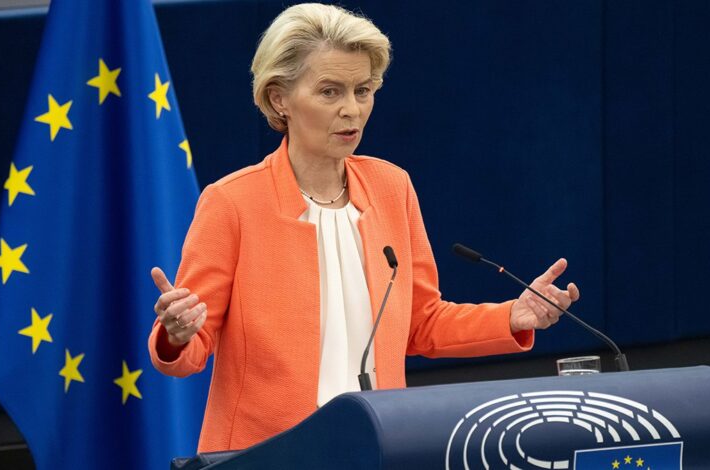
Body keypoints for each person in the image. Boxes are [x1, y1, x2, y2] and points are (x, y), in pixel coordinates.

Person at [148, 3, 580, 453]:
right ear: (279, 99)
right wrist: (177, 334)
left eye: (363, 90)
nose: (352, 110)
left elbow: (422, 324)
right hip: (265, 454)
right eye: (330, 92)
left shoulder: (392, 188)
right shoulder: (231, 202)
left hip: (376, 447)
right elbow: (191, 347)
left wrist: (512, 315)